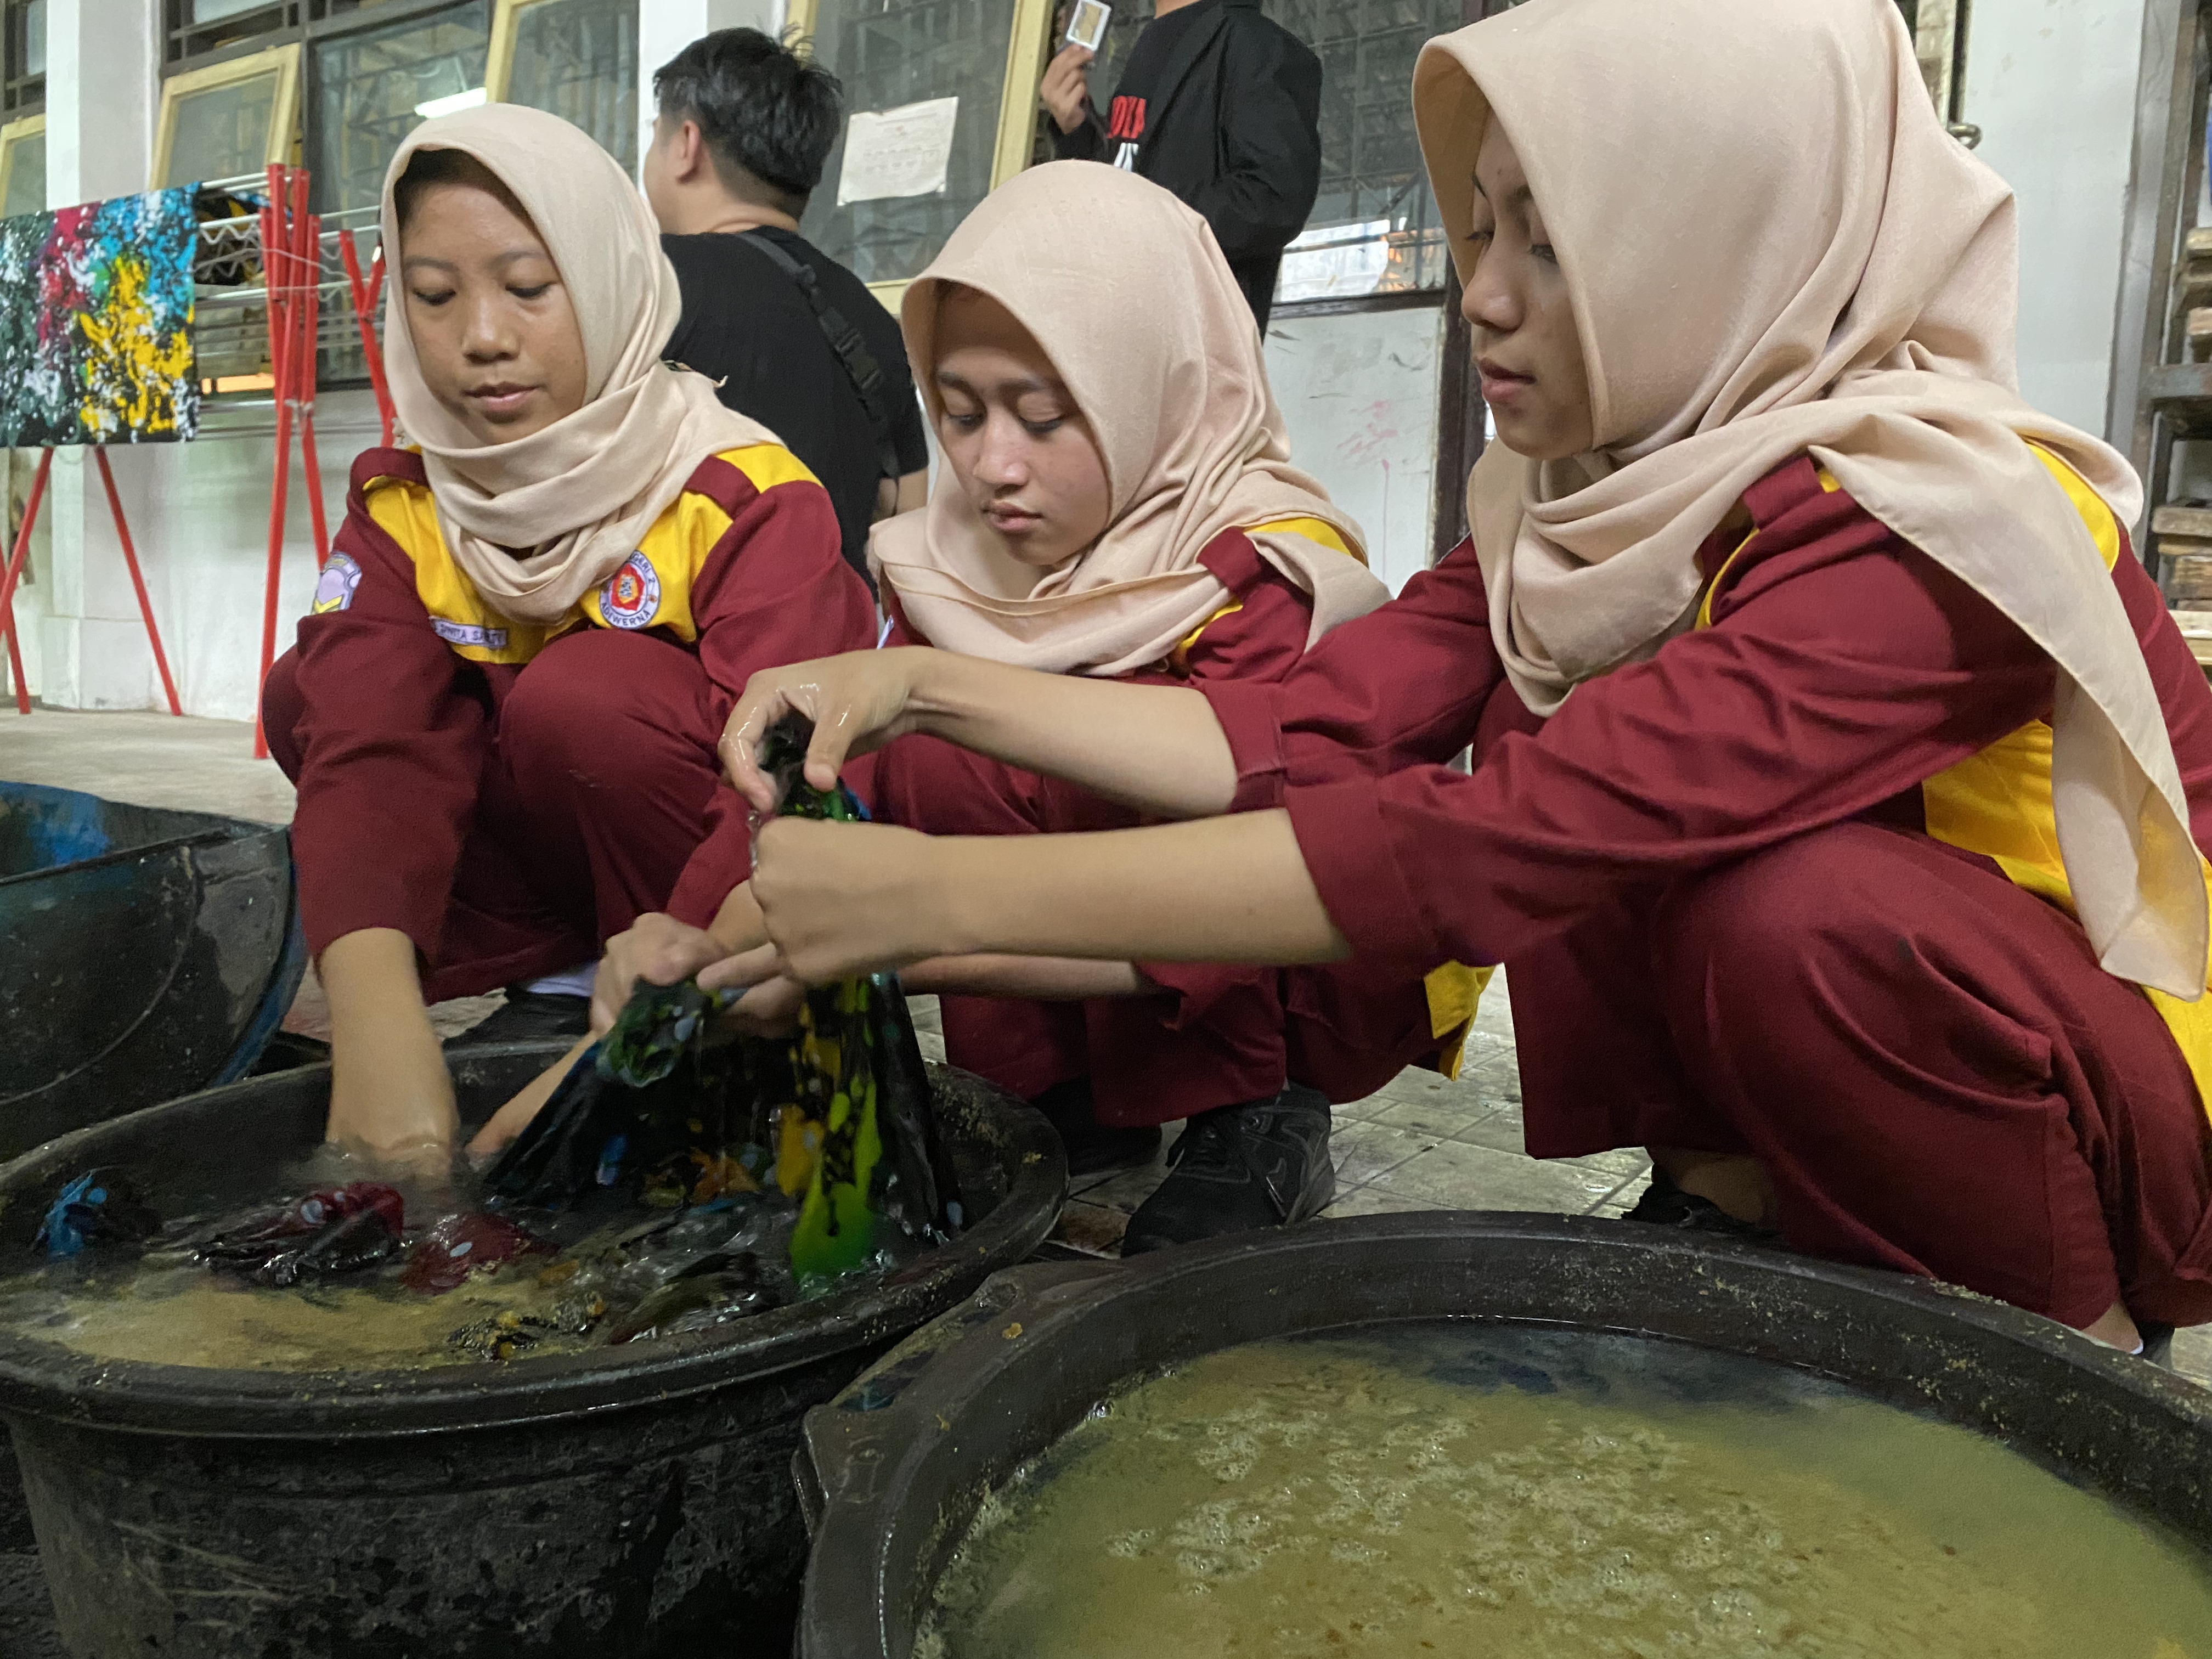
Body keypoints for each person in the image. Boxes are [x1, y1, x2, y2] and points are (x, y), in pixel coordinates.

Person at [721, 0, 2212, 1357]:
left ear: (1730, 237)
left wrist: (934, 903)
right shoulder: (1577, 509)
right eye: (1480, 227)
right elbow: (1313, 727)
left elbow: (1497, 842)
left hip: (2120, 1106)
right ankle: (1740, 1212)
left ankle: (2059, 1352)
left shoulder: (1940, 529)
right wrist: (914, 693)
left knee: (1785, 908)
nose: (1483, 296)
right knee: (1580, 790)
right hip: (1869, 1092)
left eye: (1551, 243)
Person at [558, 163, 1463, 1251]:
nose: (992, 466)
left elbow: (1267, 883)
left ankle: (1260, 1107)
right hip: (1064, 956)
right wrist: (692, 934)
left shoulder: (1264, 575)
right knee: (932, 757)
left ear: (1157, 388)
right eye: (959, 411)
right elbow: (816, 779)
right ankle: (1069, 1087)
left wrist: (887, 938)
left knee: (1166, 780)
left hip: (1262, 953)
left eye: (1042, 417)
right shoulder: (945, 567)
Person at [261, 104, 876, 1164]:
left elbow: (798, 782)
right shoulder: (412, 502)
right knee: (311, 686)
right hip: (570, 884)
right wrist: (376, 1025)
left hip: (727, 908)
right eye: (435, 297)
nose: (483, 337)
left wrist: (670, 989)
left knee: (583, 692)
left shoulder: (739, 492)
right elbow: (372, 745)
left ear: (606, 280)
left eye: (529, 289)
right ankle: (556, 987)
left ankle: (688, 1019)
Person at [645, 28, 930, 584]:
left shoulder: (648, 283)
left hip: (671, 659)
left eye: (654, 137)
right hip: (830, 659)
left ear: (685, 144)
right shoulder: (874, 322)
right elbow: (905, 517)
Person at [1040, 0, 1320, 331]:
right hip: (1115, 330)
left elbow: (1272, 199)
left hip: (1184, 346)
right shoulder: (1151, 42)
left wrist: (1139, 216)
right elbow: (1128, 171)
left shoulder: (1256, 44)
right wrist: (1077, 130)